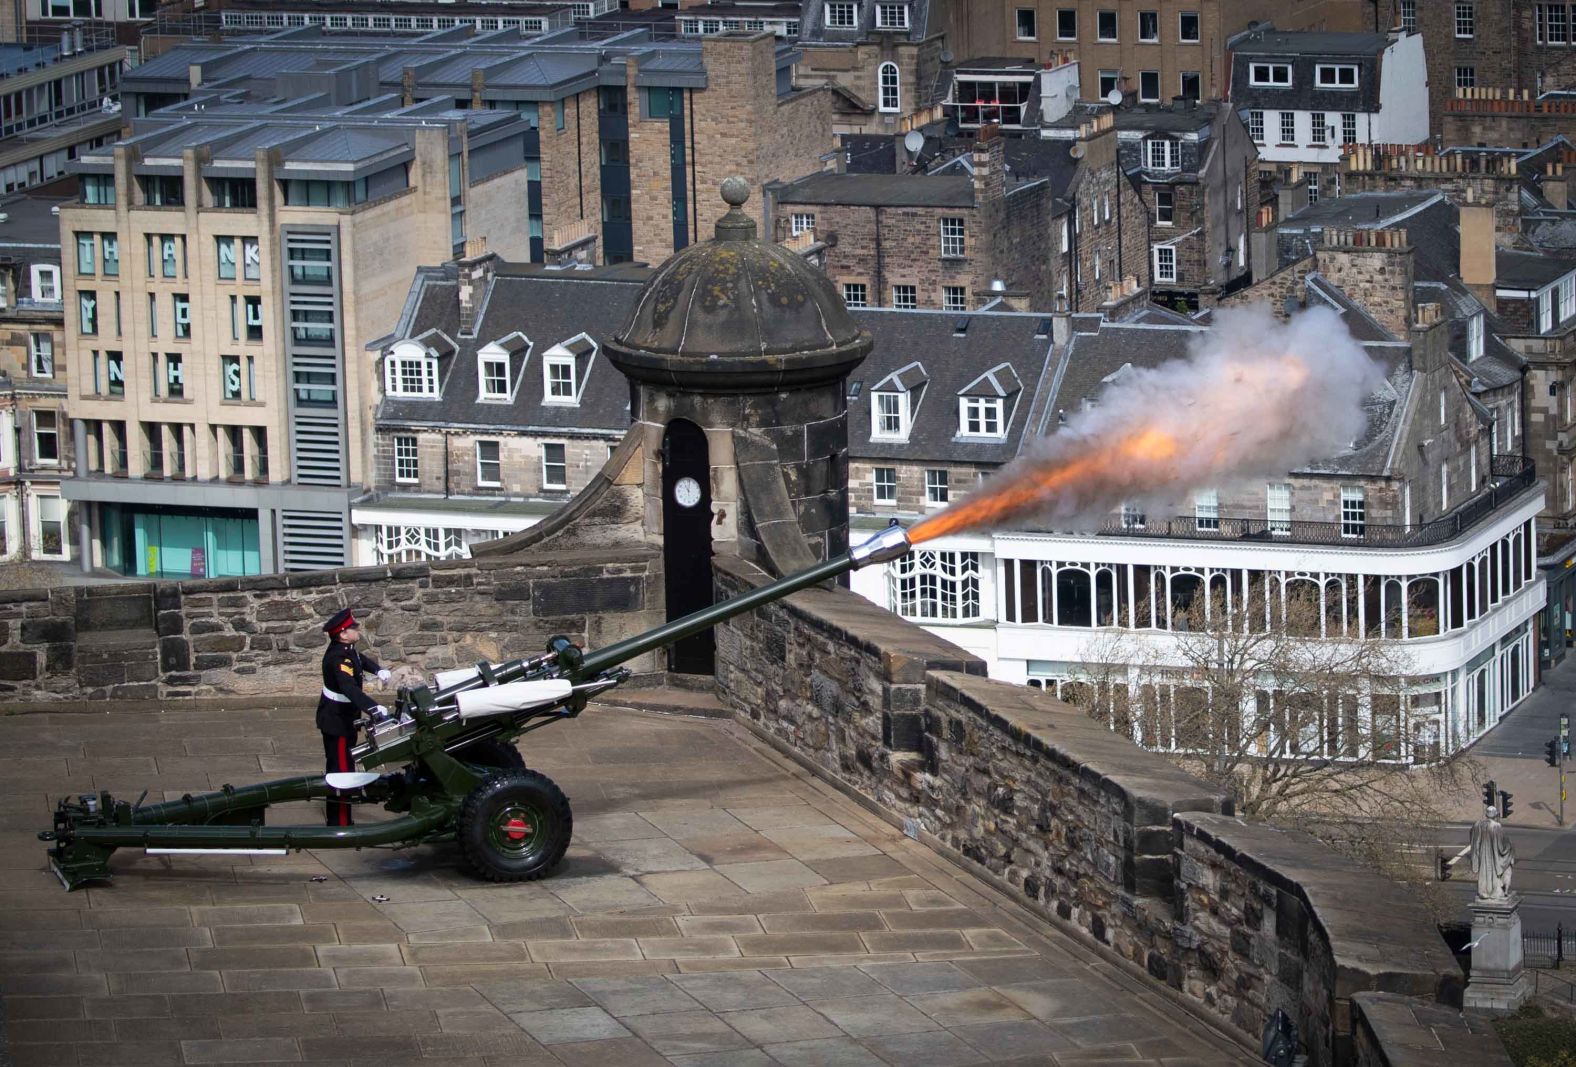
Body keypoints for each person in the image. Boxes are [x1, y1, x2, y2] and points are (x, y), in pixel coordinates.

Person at [316, 608, 392, 827]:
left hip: (345, 718)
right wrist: (374, 708)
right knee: (340, 770)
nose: (357, 628)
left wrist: (378, 670)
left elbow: (361, 660)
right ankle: (339, 822)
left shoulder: (347, 650)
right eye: (353, 627)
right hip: (336, 720)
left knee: (346, 764)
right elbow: (350, 689)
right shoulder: (337, 658)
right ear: (342, 634)